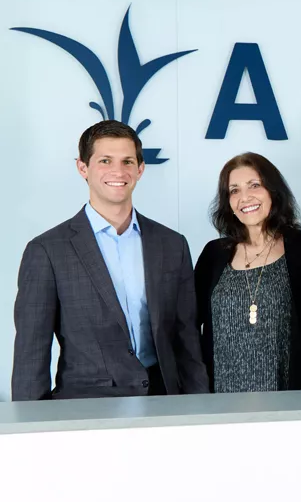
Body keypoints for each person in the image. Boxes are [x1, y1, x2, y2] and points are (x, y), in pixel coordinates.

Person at [11, 120, 208, 400]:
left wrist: (198, 409)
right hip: (84, 411)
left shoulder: (172, 244)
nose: (118, 171)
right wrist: (30, 431)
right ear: (83, 168)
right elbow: (31, 355)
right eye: (105, 160)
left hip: (164, 406)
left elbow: (186, 338)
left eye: (127, 161)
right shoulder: (47, 250)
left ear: (140, 170)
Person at [194, 153, 301, 392]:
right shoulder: (214, 254)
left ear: (273, 191)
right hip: (221, 404)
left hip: (291, 403)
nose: (245, 197)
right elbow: (188, 327)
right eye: (234, 190)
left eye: (254, 185)